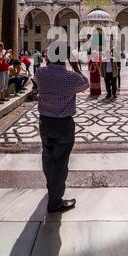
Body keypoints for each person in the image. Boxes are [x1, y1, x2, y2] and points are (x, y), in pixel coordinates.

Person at [35, 46, 89, 214]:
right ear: (65, 58)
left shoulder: (41, 73)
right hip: (64, 125)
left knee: (47, 156)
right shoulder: (71, 77)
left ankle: (52, 187)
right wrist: (75, 66)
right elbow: (86, 84)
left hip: (45, 123)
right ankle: (55, 202)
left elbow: (37, 82)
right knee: (60, 163)